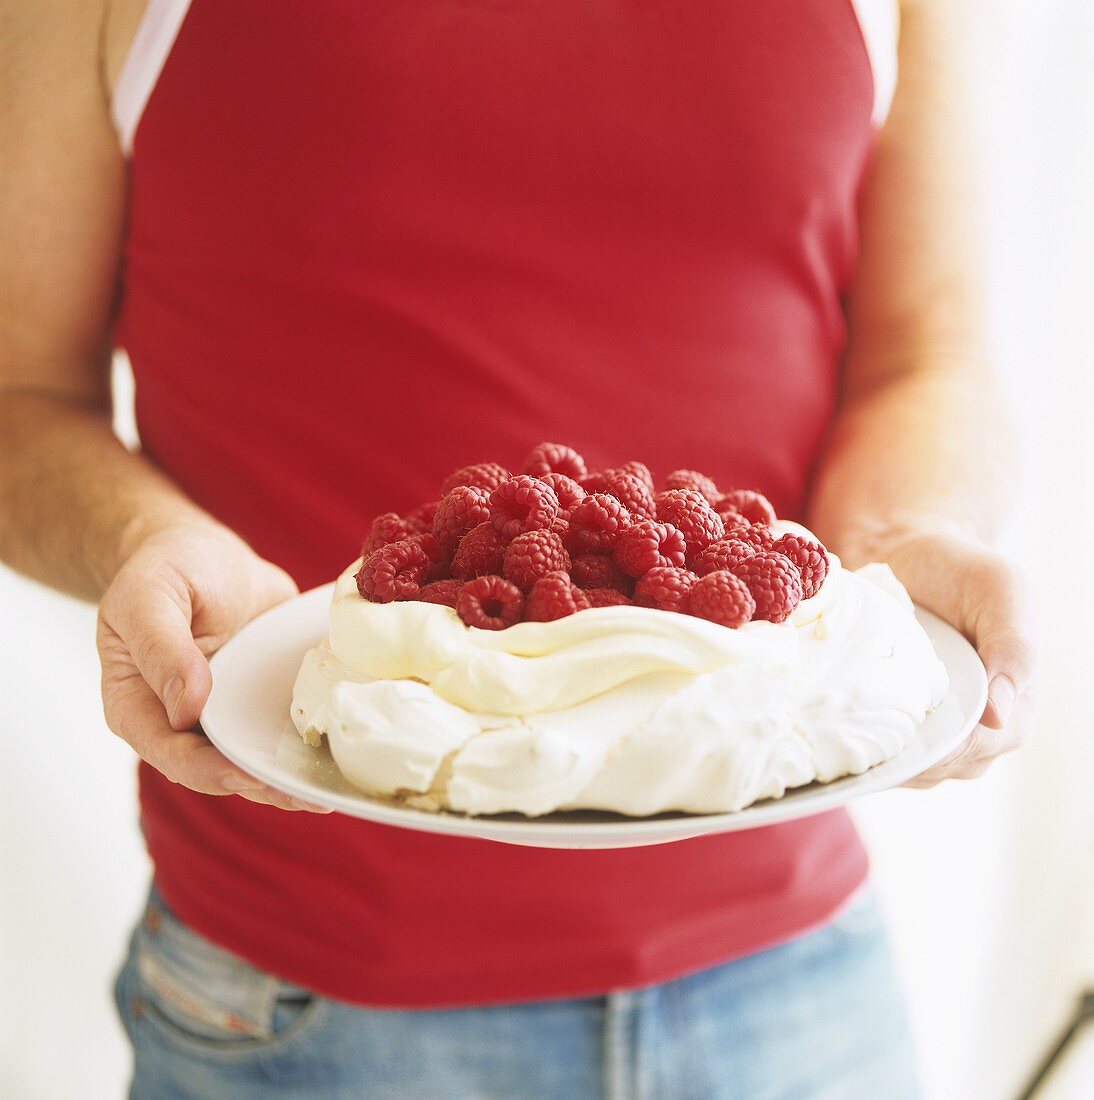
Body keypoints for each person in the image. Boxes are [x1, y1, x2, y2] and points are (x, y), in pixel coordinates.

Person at [0, 1, 1038, 1097]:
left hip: (797, 981)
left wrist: (899, 538)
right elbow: (18, 391)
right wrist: (149, 539)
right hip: (310, 1002)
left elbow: (929, 355)